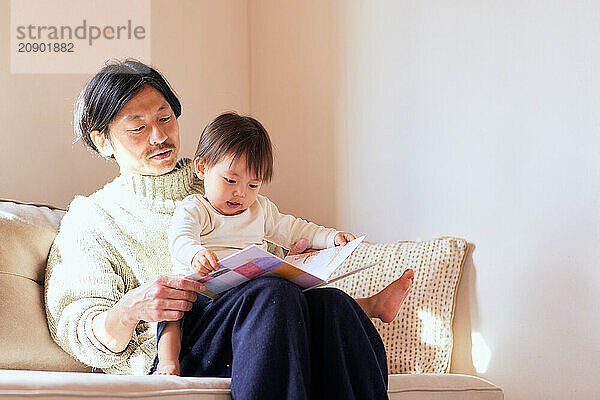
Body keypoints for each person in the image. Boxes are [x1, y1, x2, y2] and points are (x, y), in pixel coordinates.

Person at [44, 59, 413, 399]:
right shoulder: (91, 218)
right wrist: (129, 310)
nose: (159, 136)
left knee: (334, 307)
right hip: (178, 344)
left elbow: (267, 249)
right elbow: (74, 327)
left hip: (259, 319)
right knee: (271, 295)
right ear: (102, 139)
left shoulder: (224, 183)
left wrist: (302, 256)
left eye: (166, 118)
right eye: (138, 127)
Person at [154, 112, 364, 375]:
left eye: (253, 184)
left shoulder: (260, 209)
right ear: (202, 168)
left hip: (250, 295)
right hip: (204, 297)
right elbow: (181, 239)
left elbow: (294, 229)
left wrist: (330, 238)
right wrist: (196, 254)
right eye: (230, 180)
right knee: (171, 311)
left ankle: (368, 306)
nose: (240, 192)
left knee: (317, 298)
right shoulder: (194, 209)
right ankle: (168, 363)